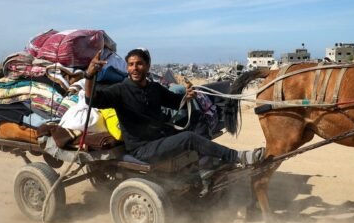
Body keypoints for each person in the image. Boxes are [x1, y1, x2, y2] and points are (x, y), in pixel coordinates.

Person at [84, 48, 262, 167]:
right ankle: (237, 157)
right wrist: (89, 75)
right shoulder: (119, 91)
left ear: (147, 66)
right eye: (131, 64)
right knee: (188, 138)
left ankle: (204, 163)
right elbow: (91, 100)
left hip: (161, 136)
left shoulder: (154, 88)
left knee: (199, 119)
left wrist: (187, 96)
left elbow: (175, 101)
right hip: (143, 148)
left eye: (139, 64)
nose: (135, 68)